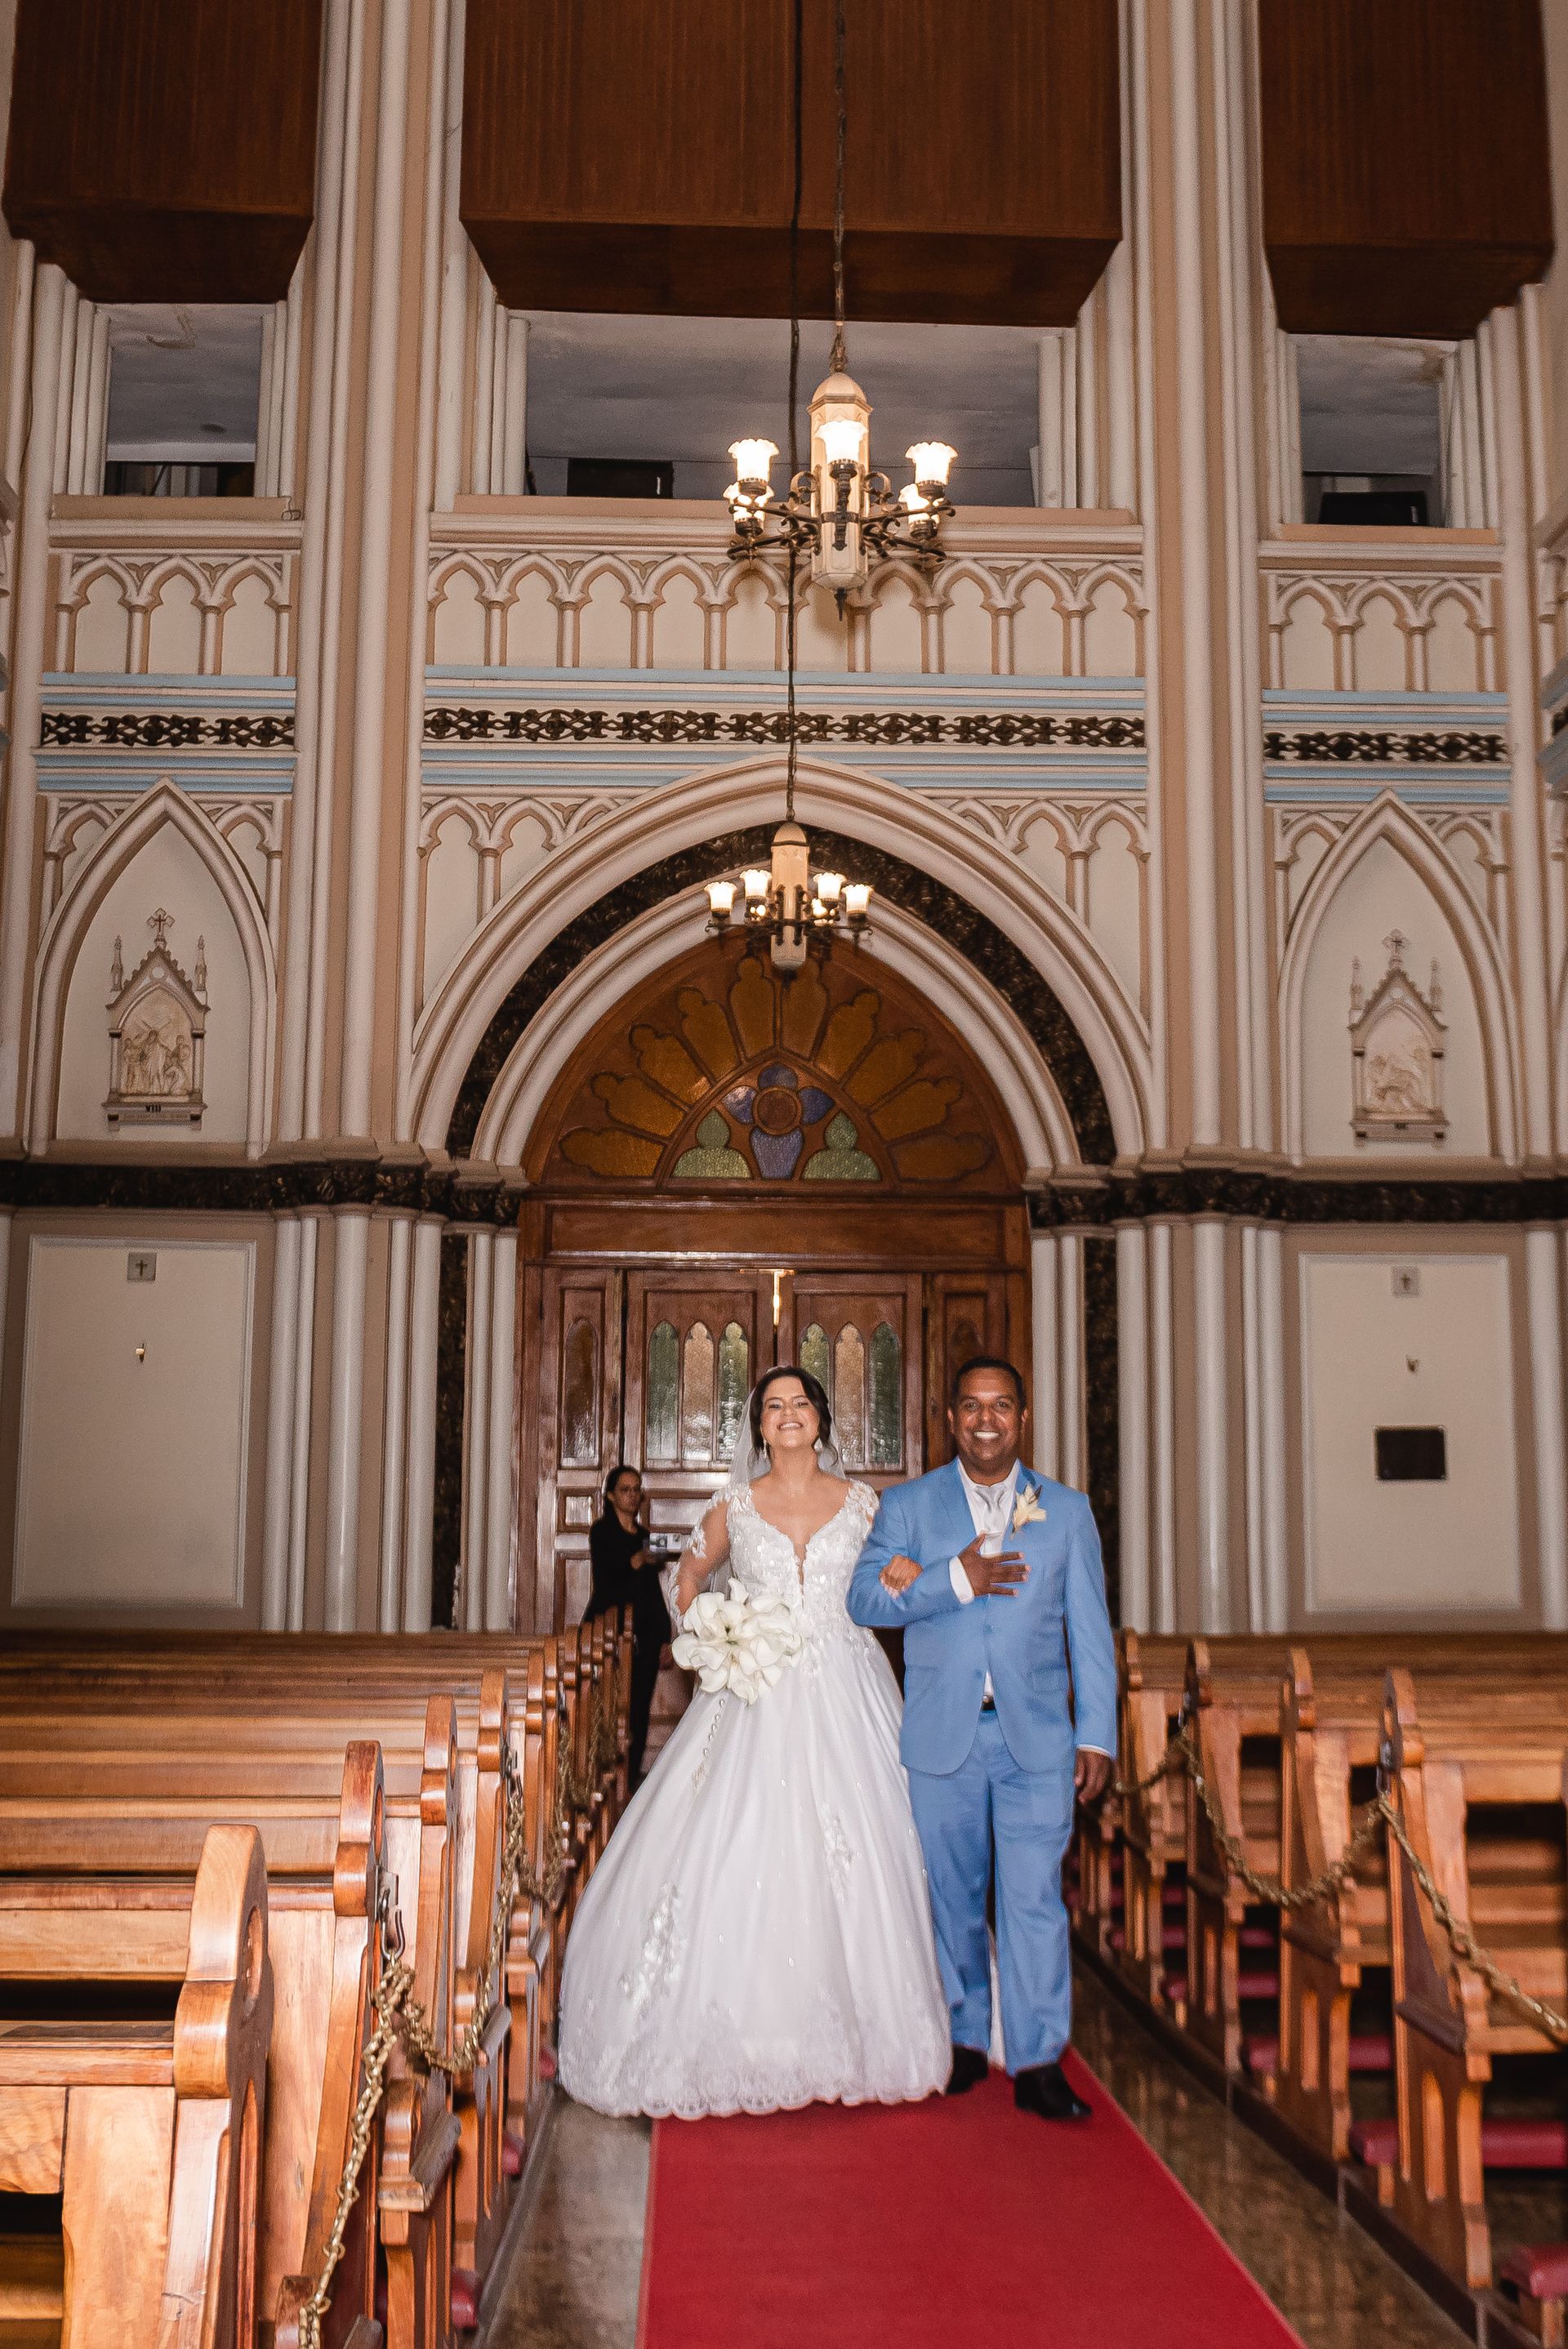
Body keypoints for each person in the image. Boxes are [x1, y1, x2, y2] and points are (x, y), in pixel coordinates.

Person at [556, 1366, 950, 2118]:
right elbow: (686, 1578)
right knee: (741, 1839)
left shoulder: (865, 1504)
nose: (789, 1414)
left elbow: (902, 1572)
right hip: (756, 1688)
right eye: (774, 1407)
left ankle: (870, 2029)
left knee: (867, 1846)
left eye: (801, 1402)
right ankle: (740, 2033)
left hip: (849, 1682)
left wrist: (905, 1570)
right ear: (760, 1429)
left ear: (821, 1419)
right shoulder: (735, 1507)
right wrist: (710, 1633)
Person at [846, 1356, 1117, 2122]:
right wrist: (951, 1578)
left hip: (1037, 1743)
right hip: (943, 1739)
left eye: (1001, 1406)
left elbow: (1091, 1634)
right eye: (971, 1406)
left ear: (1023, 1418)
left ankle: (1037, 2060)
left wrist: (1097, 1734)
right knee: (952, 1899)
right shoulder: (907, 1507)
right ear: (951, 1418)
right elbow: (864, 1598)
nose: (986, 1420)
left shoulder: (1065, 1511)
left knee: (1033, 1900)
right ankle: (962, 2041)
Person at [585, 1464, 668, 1787]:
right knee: (606, 1708)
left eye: (637, 1490)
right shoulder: (601, 1531)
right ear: (610, 1495)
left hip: (644, 1633)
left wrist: (665, 1636)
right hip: (609, 1630)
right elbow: (607, 1582)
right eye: (626, 1490)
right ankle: (600, 1780)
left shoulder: (646, 1537)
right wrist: (636, 1561)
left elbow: (653, 1591)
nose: (633, 1496)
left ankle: (630, 1779)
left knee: (638, 1709)